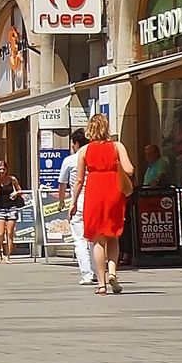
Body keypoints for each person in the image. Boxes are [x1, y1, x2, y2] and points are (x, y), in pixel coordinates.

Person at [72, 115, 134, 295]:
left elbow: (78, 180)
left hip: (94, 192)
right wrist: (115, 165)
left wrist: (74, 202)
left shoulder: (84, 150)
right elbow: (129, 169)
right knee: (113, 235)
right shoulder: (117, 146)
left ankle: (101, 283)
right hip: (113, 191)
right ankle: (113, 272)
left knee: (98, 239)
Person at [57, 127, 95, 286]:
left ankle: (87, 274)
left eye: (73, 144)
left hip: (78, 200)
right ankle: (98, 270)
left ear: (76, 143)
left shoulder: (70, 160)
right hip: (94, 199)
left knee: (79, 239)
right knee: (94, 239)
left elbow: (62, 184)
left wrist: (62, 201)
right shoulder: (94, 157)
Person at [0, 161, 22, 262]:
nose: (2, 171)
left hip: (12, 208)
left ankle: (7, 256)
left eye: (4, 169)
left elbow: (20, 191)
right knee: (0, 233)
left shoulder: (12, 179)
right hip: (0, 209)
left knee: (10, 233)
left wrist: (16, 193)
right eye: (0, 169)